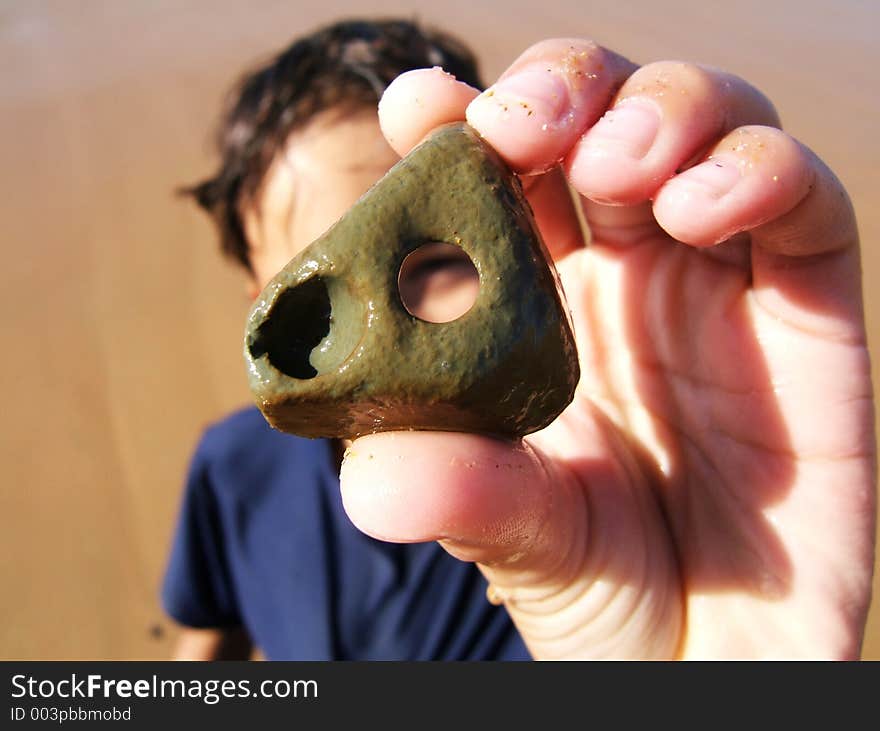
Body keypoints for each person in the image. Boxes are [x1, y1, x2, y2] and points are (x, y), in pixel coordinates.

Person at [163, 18, 876, 659]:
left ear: (518, 231)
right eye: (311, 302)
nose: (384, 315)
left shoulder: (570, 515)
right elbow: (204, 646)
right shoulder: (232, 474)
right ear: (262, 298)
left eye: (438, 264)